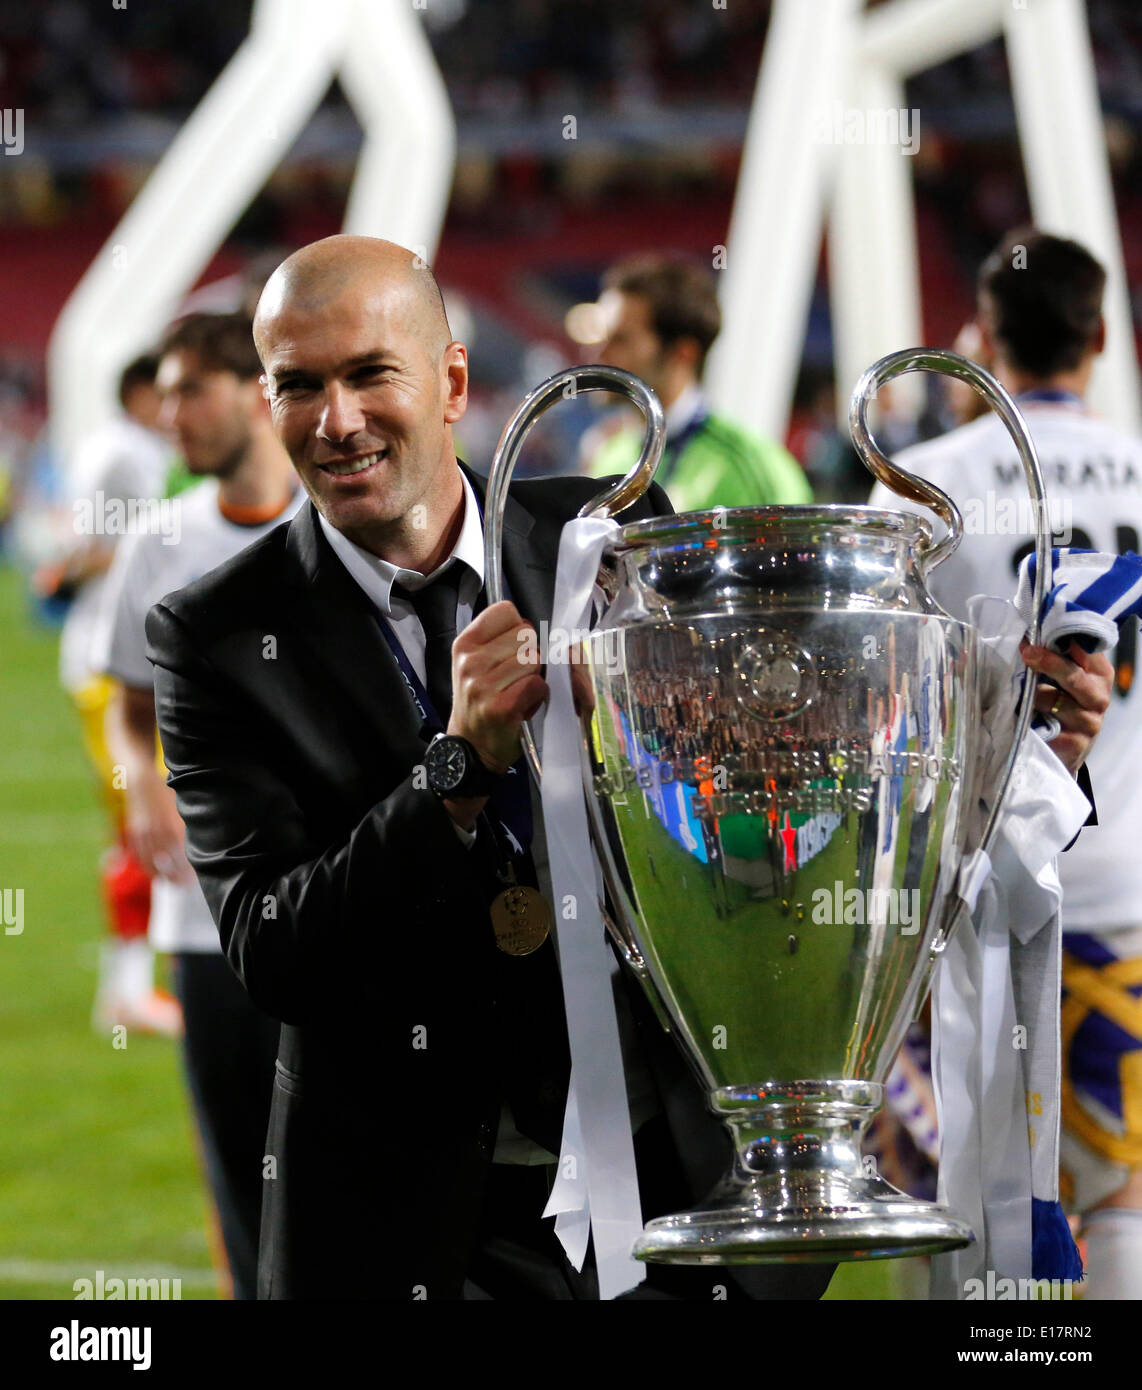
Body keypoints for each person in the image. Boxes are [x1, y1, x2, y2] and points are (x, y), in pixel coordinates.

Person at [144, 236, 840, 1302]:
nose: (336, 420)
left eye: (371, 372)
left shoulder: (607, 539)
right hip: (416, 1233)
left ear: (452, 381)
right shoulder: (219, 635)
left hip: (670, 1197)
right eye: (298, 384)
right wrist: (454, 770)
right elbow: (276, 951)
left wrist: (994, 749)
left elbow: (754, 828)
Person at [870, 228, 1142, 1299]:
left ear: (979, 338)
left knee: (965, 1189)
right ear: (1101, 334)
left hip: (964, 898)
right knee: (1119, 1182)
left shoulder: (920, 489)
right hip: (1124, 888)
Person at [95, 312, 301, 1299]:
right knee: (238, 1172)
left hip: (333, 906)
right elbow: (129, 710)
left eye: (190, 389)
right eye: (165, 393)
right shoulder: (158, 542)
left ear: (255, 391)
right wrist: (141, 781)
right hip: (205, 914)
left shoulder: (335, 523)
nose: (170, 413)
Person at [40, 354, 180, 1037]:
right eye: (168, 391)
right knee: (143, 821)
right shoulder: (125, 456)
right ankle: (127, 991)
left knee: (142, 821)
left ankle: (131, 984)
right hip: (110, 663)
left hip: (113, 660)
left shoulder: (122, 449)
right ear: (139, 393)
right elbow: (93, 549)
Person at [586, 254, 813, 510]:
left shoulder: (754, 468)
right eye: (600, 337)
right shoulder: (611, 456)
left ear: (683, 352)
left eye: (620, 340)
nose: (597, 355)